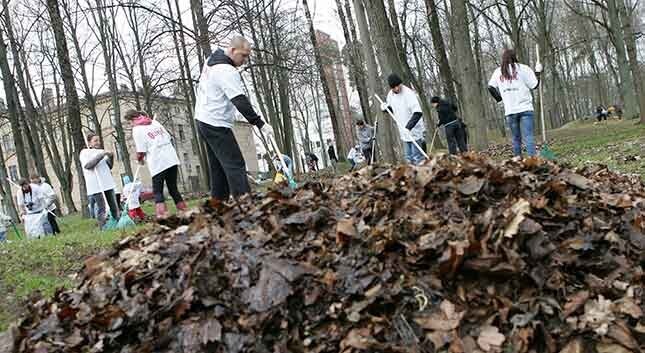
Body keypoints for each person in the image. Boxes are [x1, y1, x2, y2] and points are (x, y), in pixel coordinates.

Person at [194, 35, 273, 203]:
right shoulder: (226, 71)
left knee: (218, 167)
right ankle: (246, 205)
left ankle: (218, 204)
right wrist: (260, 123)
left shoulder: (212, 59)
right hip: (215, 123)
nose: (245, 60)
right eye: (243, 55)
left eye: (247, 56)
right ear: (232, 50)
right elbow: (239, 101)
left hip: (202, 119)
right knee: (235, 164)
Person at [125, 110, 186, 219]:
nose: (130, 125)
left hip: (158, 161)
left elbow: (141, 150)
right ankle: (185, 212)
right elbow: (168, 137)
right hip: (171, 158)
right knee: (173, 188)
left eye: (129, 123)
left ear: (132, 120)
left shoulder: (137, 129)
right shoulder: (154, 122)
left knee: (158, 191)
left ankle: (162, 217)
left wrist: (140, 159)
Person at [487, 48, 542, 157]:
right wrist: (538, 72)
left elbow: (490, 87)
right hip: (525, 108)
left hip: (510, 110)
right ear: (515, 56)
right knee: (528, 137)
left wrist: (499, 100)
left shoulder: (498, 71)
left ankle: (518, 162)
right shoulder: (523, 68)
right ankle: (533, 162)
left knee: (516, 139)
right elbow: (534, 85)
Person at [381, 73, 427, 165]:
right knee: (409, 158)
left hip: (414, 130)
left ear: (400, 83)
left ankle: (422, 175)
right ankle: (412, 177)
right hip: (403, 132)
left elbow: (418, 113)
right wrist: (385, 108)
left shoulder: (408, 93)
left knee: (417, 157)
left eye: (398, 86)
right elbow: (392, 110)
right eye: (394, 87)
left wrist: (408, 127)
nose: (396, 89)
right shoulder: (391, 95)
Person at [80, 133, 119, 229]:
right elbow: (88, 166)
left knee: (114, 206)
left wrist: (111, 157)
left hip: (107, 183)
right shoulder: (85, 153)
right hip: (96, 185)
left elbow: (109, 166)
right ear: (89, 143)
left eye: (98, 140)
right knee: (102, 208)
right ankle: (103, 227)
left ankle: (117, 223)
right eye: (95, 141)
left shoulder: (101, 151)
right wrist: (100, 156)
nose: (98, 142)